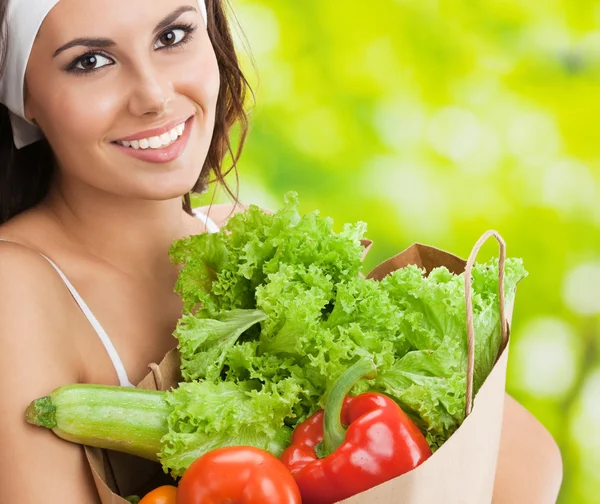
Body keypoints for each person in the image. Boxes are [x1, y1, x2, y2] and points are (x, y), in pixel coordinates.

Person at [0, 0, 562, 502]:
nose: (153, 95)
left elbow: (526, 464)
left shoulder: (247, 236)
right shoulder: (15, 287)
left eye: (172, 36)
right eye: (91, 62)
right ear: (24, 95)